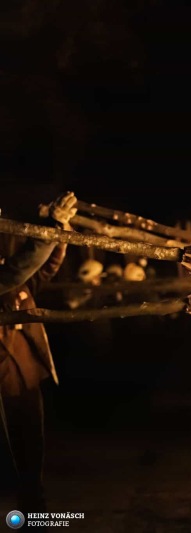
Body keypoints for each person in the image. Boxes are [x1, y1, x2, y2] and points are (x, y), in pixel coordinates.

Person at [0, 192, 77, 525]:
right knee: (8, 459)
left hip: (26, 374)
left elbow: (40, 271)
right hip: (2, 379)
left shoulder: (11, 271)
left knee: (31, 454)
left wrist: (59, 235)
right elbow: (19, 269)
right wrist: (51, 228)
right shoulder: (7, 273)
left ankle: (34, 517)